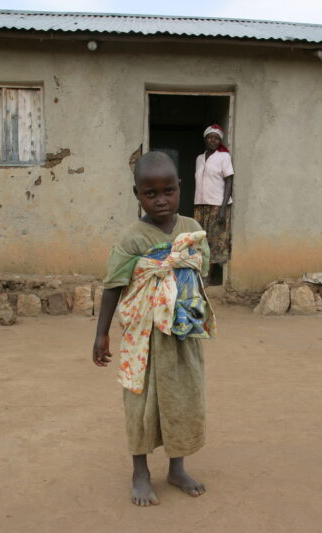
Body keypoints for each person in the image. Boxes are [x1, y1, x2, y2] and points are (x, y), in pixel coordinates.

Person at [92, 151, 216, 507]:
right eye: (151, 193)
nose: (161, 200)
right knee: (141, 403)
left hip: (181, 335)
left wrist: (175, 274)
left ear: (181, 189)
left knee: (182, 399)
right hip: (143, 338)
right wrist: (101, 334)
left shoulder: (192, 229)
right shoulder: (132, 239)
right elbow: (114, 284)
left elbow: (200, 269)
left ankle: (177, 467)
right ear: (137, 194)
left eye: (169, 191)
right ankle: (140, 472)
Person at [194, 125, 234, 283]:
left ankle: (208, 276)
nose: (213, 140)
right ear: (205, 139)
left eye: (217, 138)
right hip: (200, 205)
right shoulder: (199, 158)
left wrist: (223, 208)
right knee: (199, 240)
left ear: (220, 141)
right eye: (210, 137)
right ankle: (199, 273)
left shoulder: (224, 157)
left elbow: (229, 181)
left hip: (217, 205)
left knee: (213, 241)